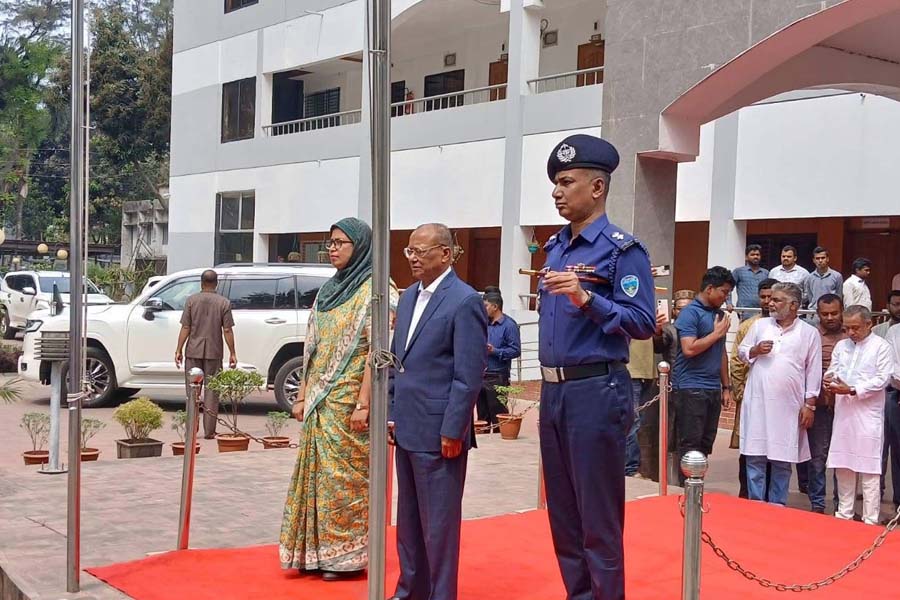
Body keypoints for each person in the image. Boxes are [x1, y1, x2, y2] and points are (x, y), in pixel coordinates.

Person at [537, 134, 655, 600]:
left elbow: (643, 322)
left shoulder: (622, 250)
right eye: (555, 183)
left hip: (595, 389)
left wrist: (588, 299)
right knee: (563, 513)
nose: (557, 192)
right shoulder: (555, 246)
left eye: (567, 182)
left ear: (597, 187)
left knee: (598, 517)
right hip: (553, 392)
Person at [279, 218, 397, 579]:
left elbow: (378, 353)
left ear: (360, 246)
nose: (332, 249)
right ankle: (313, 553)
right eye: (329, 243)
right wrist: (301, 396)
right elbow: (311, 348)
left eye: (340, 243)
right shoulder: (329, 290)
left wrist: (364, 403)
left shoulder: (378, 291)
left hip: (350, 406)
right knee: (317, 478)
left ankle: (345, 559)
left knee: (344, 481)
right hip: (319, 401)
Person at [388, 223, 487, 600]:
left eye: (421, 251)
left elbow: (468, 374)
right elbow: (400, 362)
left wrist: (454, 429)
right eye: (409, 251)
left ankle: (441, 593)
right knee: (409, 521)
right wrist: (391, 412)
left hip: (440, 430)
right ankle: (410, 589)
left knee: (439, 526)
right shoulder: (410, 297)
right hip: (409, 424)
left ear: (445, 253)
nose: (412, 257)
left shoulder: (464, 301)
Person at [738, 282, 822, 505]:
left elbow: (813, 371)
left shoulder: (809, 333)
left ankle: (777, 506)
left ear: (794, 305)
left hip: (788, 407)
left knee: (782, 460)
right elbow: (741, 352)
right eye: (771, 299)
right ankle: (755, 504)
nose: (770, 303)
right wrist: (755, 350)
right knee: (755, 456)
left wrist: (810, 405)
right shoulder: (760, 326)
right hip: (758, 402)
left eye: (777, 300)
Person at [825, 306, 894, 525]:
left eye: (856, 328)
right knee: (843, 464)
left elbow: (883, 378)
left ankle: (870, 519)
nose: (851, 333)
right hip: (844, 412)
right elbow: (832, 369)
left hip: (867, 415)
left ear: (868, 324)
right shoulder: (842, 345)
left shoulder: (881, 347)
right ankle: (844, 515)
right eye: (847, 328)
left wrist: (853, 388)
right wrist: (830, 380)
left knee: (869, 468)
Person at [672, 266, 735, 484]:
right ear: (710, 288)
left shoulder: (719, 315)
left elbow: (722, 353)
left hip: (712, 388)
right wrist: (716, 333)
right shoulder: (690, 312)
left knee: (706, 443)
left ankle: (697, 486)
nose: (726, 297)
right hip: (690, 387)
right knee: (690, 443)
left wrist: (726, 387)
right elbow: (689, 349)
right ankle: (684, 490)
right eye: (724, 292)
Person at [174, 269, 236, 439]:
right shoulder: (224, 302)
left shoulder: (191, 301)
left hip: (193, 350)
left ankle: (191, 430)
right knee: (212, 392)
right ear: (216, 284)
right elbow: (228, 329)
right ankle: (209, 431)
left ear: (201, 283)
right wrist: (232, 352)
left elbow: (185, 327)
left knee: (192, 392)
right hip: (214, 352)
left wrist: (179, 349)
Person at [729, 278, 776, 498]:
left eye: (772, 297)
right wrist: (740, 392)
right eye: (763, 297)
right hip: (750, 396)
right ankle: (747, 495)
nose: (767, 302)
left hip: (776, 400)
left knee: (774, 450)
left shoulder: (790, 328)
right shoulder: (750, 325)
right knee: (748, 448)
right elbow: (737, 362)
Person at [806, 294, 846, 514]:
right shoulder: (811, 335)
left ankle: (842, 505)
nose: (830, 317)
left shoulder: (850, 334)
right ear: (817, 314)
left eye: (834, 313)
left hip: (847, 406)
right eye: (825, 314)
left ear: (842, 311)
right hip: (820, 405)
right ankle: (818, 505)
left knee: (843, 457)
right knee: (818, 457)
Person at [478, 291, 521, 430]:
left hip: (497, 376)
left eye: (486, 306)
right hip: (480, 375)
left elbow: (515, 350)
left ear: (495, 306)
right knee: (481, 417)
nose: (483, 309)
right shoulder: (484, 323)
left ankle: (499, 445)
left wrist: (494, 351)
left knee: (498, 415)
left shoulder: (509, 325)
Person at [874, 291, 900, 510]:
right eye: (896, 304)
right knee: (891, 447)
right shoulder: (890, 331)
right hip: (893, 393)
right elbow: (891, 367)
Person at [625, 337, 656, 478]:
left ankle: (632, 467)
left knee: (639, 423)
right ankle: (630, 468)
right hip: (630, 371)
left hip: (646, 371)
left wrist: (658, 332)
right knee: (632, 422)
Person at [731, 244, 769, 320]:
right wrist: (729, 303)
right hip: (744, 311)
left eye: (757, 255)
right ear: (746, 257)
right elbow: (728, 288)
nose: (755, 257)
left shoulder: (766, 273)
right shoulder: (739, 271)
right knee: (745, 331)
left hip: (761, 311)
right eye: (752, 254)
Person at [801, 247, 843, 311]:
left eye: (823, 258)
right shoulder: (809, 277)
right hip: (813, 312)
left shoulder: (837, 276)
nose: (820, 260)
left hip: (830, 312)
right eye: (817, 258)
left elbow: (839, 296)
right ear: (814, 260)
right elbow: (810, 296)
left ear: (827, 259)